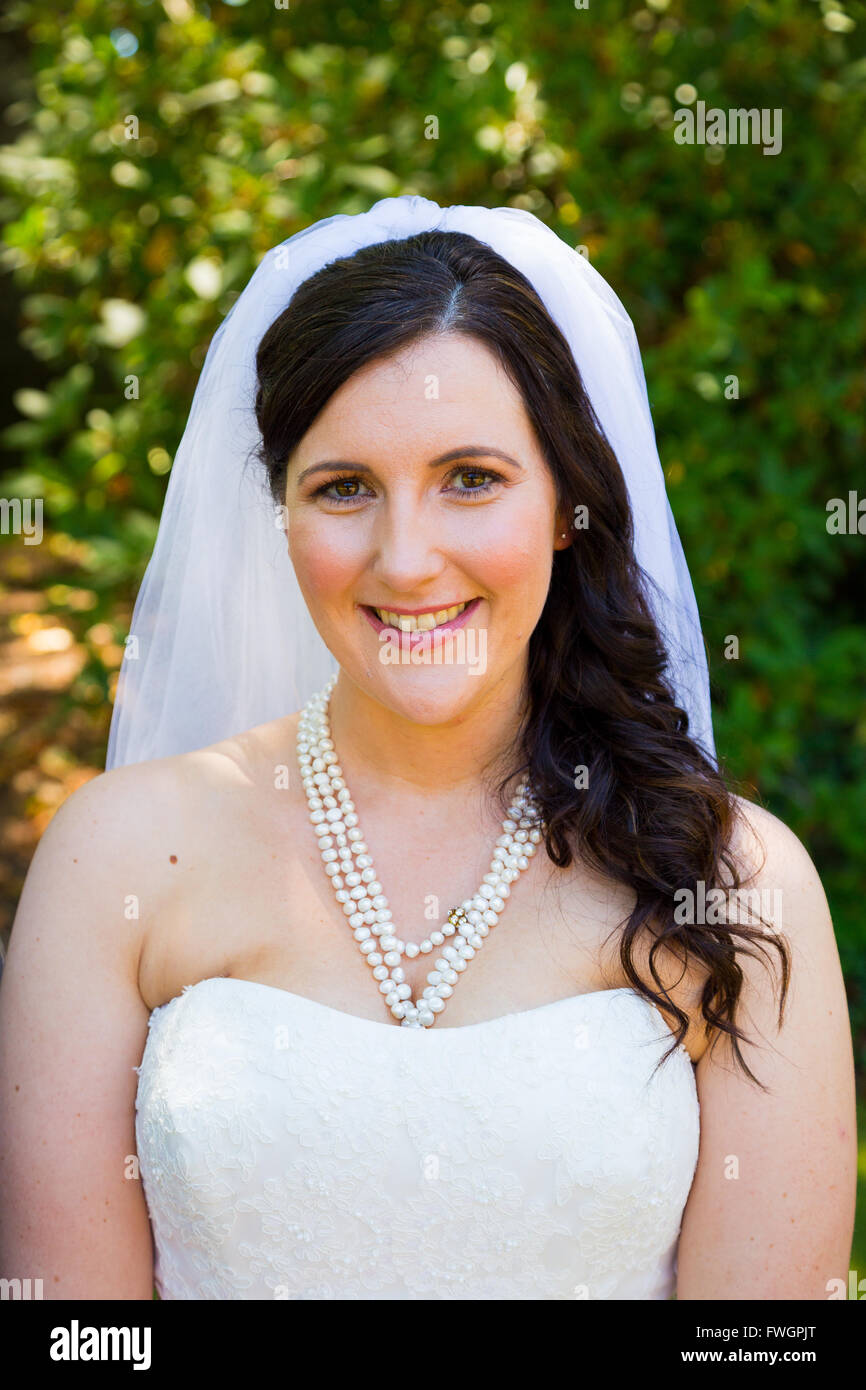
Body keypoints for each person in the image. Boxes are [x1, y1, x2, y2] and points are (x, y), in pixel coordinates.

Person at [0, 197, 855, 1300]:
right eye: (343, 487)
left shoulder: (733, 885)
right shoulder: (115, 861)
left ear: (563, 505)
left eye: (470, 479)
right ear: (279, 515)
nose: (406, 560)